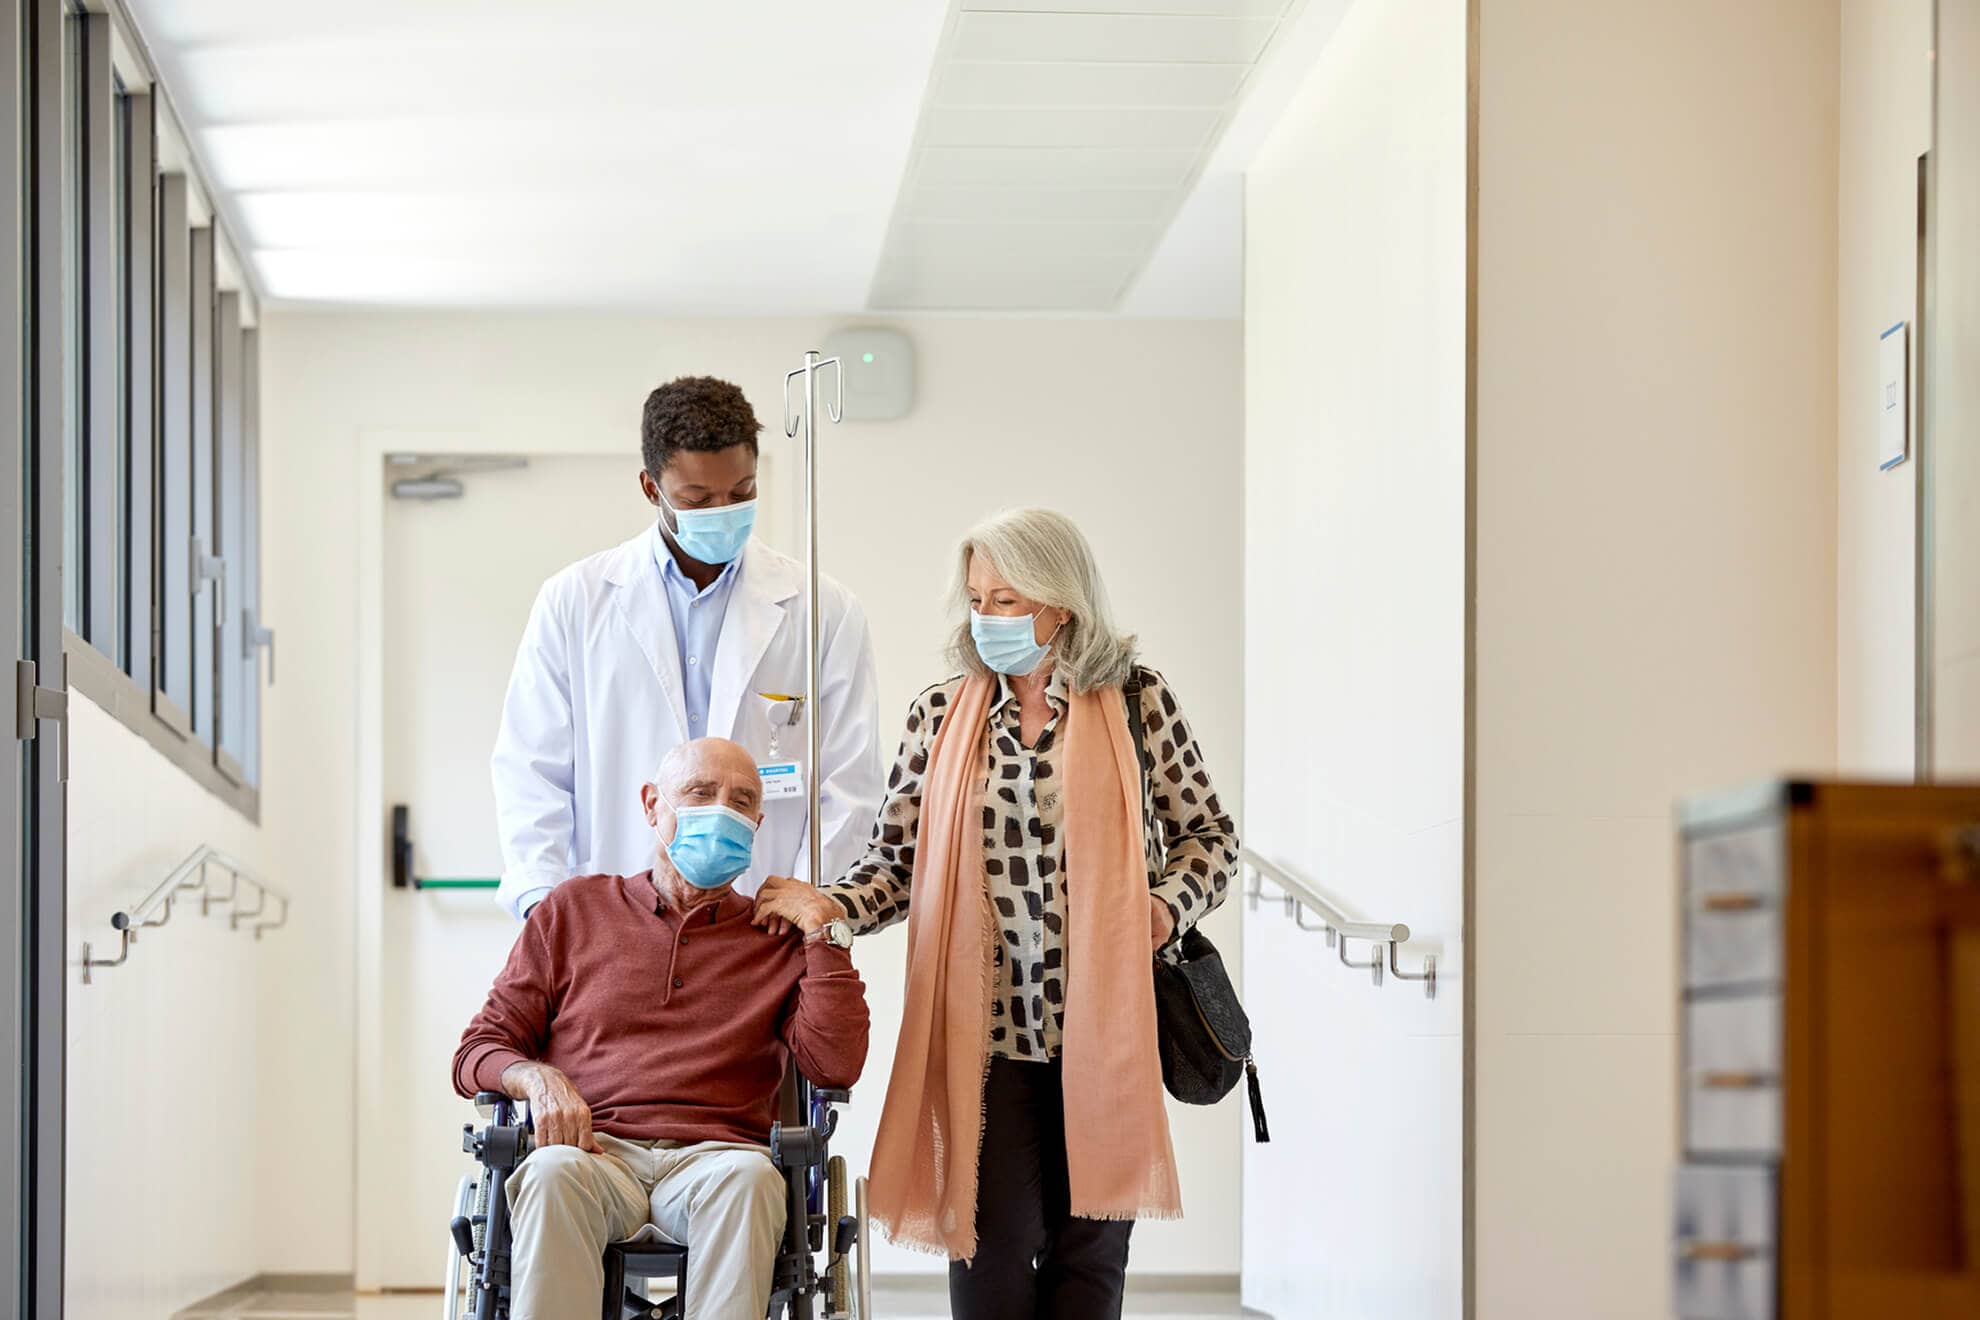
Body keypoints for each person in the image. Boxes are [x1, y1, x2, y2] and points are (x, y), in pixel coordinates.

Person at [752, 508, 1240, 1320]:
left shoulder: (1136, 703)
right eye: (977, 598)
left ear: (1063, 605)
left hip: (1109, 1028)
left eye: (1008, 600)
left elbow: (1208, 838)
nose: (987, 617)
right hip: (989, 1039)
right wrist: (833, 905)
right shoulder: (942, 714)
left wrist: (1163, 906)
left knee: (1089, 1267)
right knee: (991, 1265)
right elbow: (896, 863)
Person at [454, 737, 870, 1320]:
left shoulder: (773, 938)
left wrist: (825, 932)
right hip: (595, 1151)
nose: (721, 810)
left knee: (752, 1180)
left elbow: (836, 1066)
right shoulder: (573, 912)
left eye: (740, 800)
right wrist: (534, 1079)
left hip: (718, 1158)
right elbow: (478, 1050)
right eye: (700, 793)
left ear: (757, 822)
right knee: (548, 1172)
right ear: (652, 805)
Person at [491, 375, 883, 919]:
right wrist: (546, 904)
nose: (724, 510)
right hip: (613, 914)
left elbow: (849, 781)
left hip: (765, 920)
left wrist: (812, 900)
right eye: (697, 499)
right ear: (652, 489)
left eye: (742, 492)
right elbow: (532, 769)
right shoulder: (574, 601)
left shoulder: (823, 610)